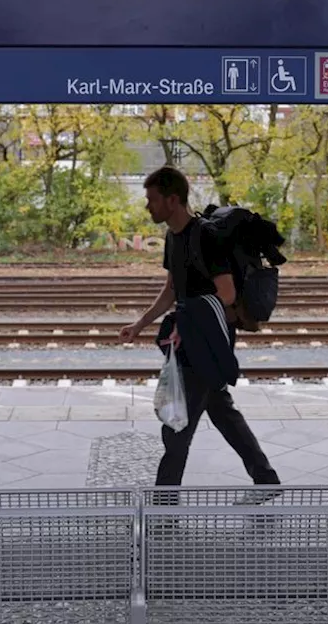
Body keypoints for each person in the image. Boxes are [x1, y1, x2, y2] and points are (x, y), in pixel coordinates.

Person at [119, 166, 280, 495]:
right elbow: (171, 291)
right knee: (222, 411)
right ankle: (266, 479)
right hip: (188, 339)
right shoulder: (172, 237)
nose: (147, 206)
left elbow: (228, 293)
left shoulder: (206, 236)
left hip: (206, 340)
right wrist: (140, 324)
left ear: (172, 199)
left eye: (151, 199)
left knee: (177, 426)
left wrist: (186, 322)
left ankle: (162, 509)